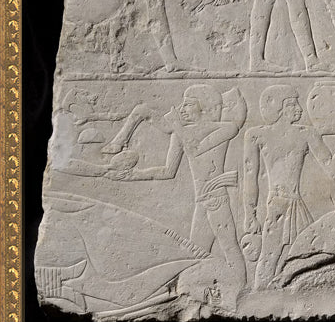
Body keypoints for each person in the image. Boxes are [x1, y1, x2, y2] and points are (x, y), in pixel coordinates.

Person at [100, 85, 250, 309]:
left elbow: (197, 148)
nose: (182, 109)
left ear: (204, 107)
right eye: (183, 104)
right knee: (195, 253)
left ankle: (242, 294)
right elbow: (167, 171)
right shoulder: (183, 134)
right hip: (202, 202)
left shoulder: (224, 128)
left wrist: (176, 126)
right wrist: (133, 175)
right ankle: (200, 297)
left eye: (188, 104)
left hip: (216, 199)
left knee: (229, 246)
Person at [242, 85, 335, 290]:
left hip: (296, 206)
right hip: (277, 207)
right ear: (278, 107)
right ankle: (260, 296)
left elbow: (332, 170)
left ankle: (290, 292)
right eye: (292, 104)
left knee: (304, 256)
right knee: (270, 257)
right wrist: (249, 215)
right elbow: (250, 177)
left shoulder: (306, 133)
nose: (299, 108)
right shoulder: (257, 134)